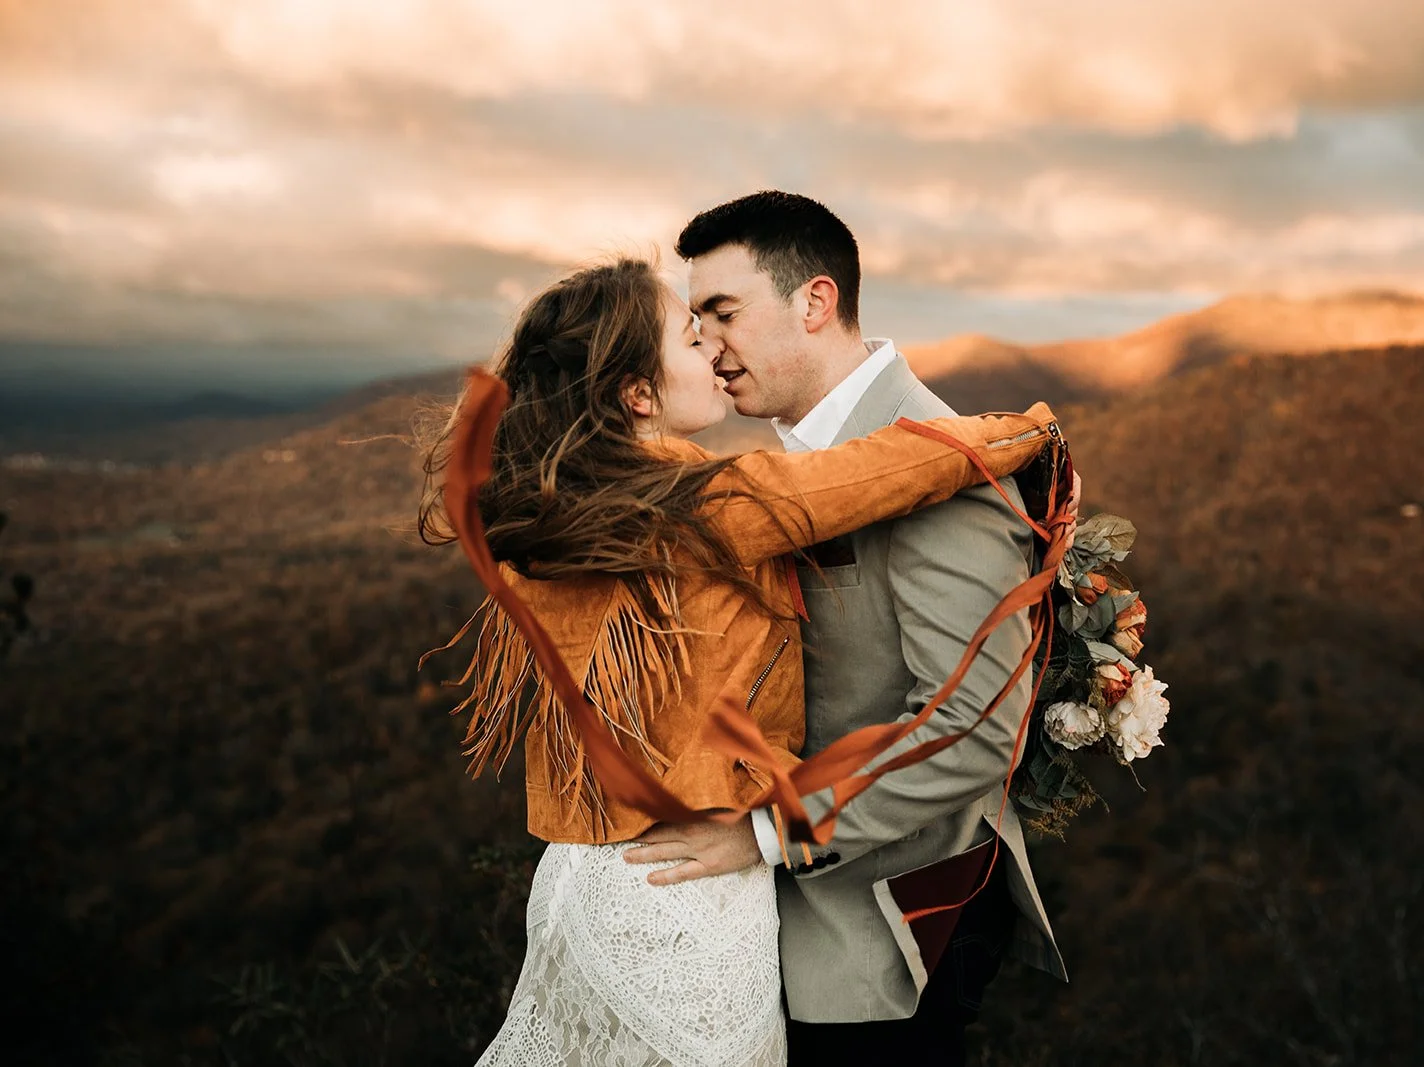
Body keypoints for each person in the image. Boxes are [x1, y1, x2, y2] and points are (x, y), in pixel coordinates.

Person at [417, 254, 1064, 1066]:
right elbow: (873, 472)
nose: (715, 354)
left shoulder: (546, 520)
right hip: (689, 890)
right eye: (692, 338)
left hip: (586, 874)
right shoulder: (698, 507)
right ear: (637, 394)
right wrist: (1025, 430)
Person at [623, 192, 1070, 1065]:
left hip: (881, 938)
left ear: (815, 303)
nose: (708, 346)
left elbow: (974, 730)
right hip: (793, 924)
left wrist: (758, 834)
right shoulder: (795, 463)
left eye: (724, 313)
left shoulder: (945, 465)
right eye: (698, 321)